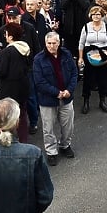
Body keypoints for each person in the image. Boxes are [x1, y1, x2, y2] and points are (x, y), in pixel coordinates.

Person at [33, 32, 77, 166]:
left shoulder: (66, 55)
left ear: (59, 43)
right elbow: (39, 82)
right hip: (48, 100)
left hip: (66, 98)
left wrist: (69, 90)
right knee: (48, 128)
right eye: (49, 43)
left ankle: (65, 145)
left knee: (68, 125)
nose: (52, 46)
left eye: (54, 43)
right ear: (45, 44)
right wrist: (57, 93)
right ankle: (51, 152)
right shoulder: (38, 59)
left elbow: (74, 73)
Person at [0, 22, 32, 143]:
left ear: (11, 36)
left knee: (6, 117)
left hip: (9, 90)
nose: (5, 36)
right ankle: (23, 140)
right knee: (22, 115)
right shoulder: (25, 48)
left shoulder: (7, 52)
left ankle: (7, 140)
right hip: (23, 88)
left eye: (6, 34)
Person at [78, 5, 107, 114]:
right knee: (88, 79)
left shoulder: (106, 27)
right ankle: (86, 101)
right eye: (94, 14)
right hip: (89, 54)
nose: (96, 16)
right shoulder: (86, 27)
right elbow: (81, 43)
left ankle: (102, 101)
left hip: (103, 54)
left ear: (102, 15)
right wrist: (80, 57)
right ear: (90, 16)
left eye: (98, 14)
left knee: (102, 78)